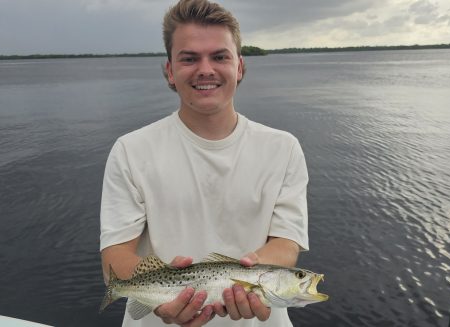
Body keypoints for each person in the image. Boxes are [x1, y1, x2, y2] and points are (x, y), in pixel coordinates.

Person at [99, 0, 309, 326]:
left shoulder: (284, 148)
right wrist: (158, 302)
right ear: (169, 70)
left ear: (240, 66)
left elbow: (286, 242)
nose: (206, 69)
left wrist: (250, 275)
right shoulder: (130, 150)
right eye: (189, 58)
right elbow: (115, 254)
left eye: (220, 56)